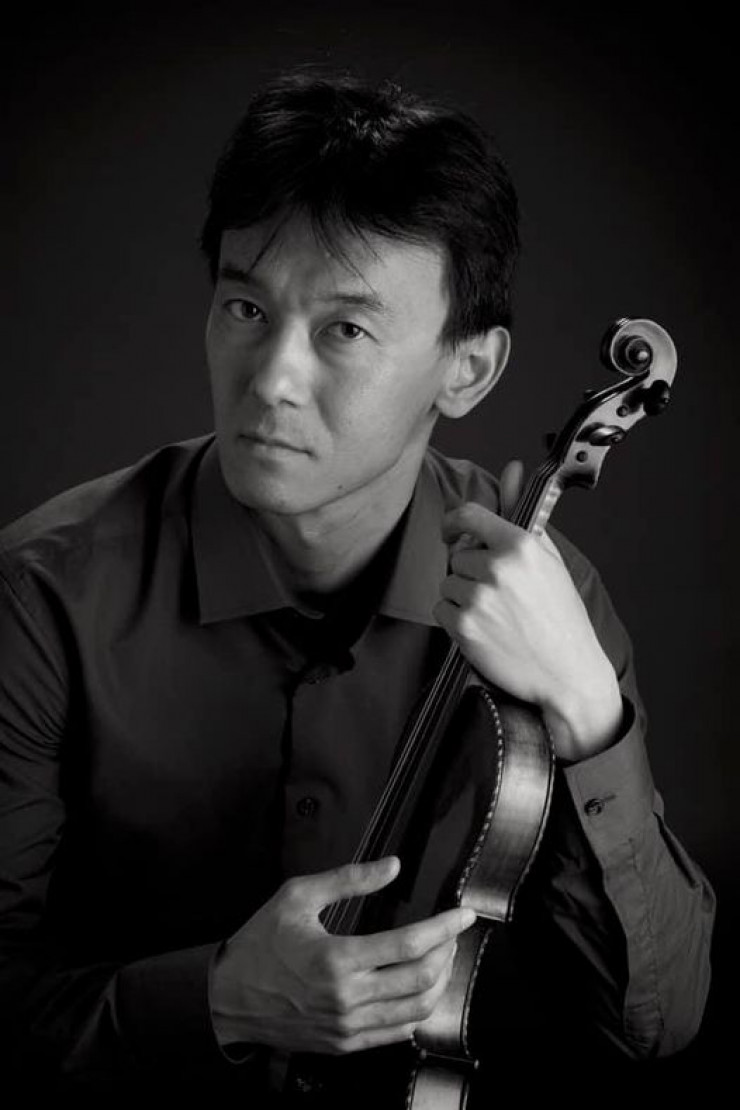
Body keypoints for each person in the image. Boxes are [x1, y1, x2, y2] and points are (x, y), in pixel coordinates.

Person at [0, 71, 715, 1105]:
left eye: (345, 330)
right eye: (246, 306)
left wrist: (586, 707)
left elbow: (656, 1019)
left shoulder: (542, 594)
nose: (271, 379)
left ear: (466, 371)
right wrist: (215, 1002)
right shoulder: (41, 597)